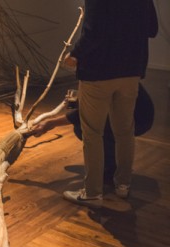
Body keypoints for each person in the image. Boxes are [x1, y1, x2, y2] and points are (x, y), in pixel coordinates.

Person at [52, 0, 158, 207]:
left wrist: (74, 55)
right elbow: (152, 29)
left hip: (99, 71)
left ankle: (92, 192)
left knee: (92, 133)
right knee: (125, 131)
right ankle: (123, 185)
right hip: (131, 69)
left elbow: (94, 31)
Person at [31, 83, 154, 183]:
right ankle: (113, 163)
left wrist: (50, 123)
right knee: (81, 127)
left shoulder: (102, 78)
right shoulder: (110, 73)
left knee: (85, 128)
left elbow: (88, 114)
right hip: (129, 116)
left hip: (137, 120)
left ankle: (112, 169)